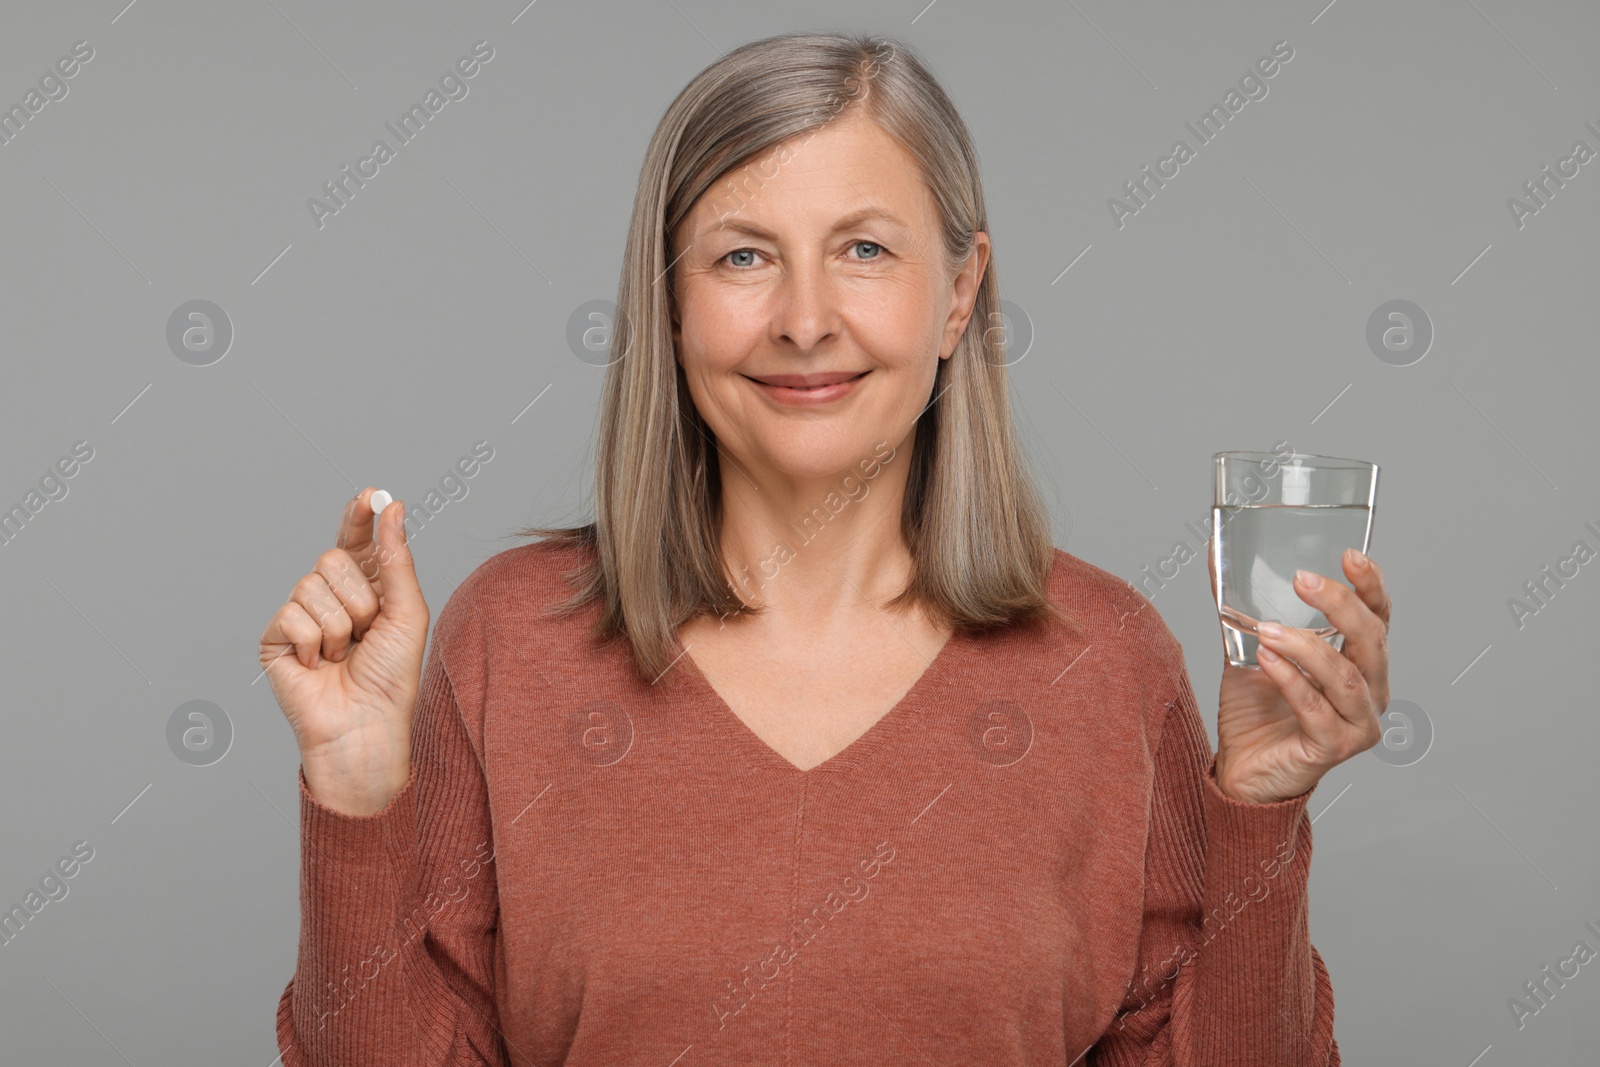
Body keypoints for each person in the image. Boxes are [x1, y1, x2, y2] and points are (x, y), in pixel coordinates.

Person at [262, 30, 1390, 1065]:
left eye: (862, 248)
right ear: (668, 306)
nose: (805, 319)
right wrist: (358, 798)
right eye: (743, 259)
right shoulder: (511, 636)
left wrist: (1256, 806)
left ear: (958, 295)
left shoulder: (1108, 658)